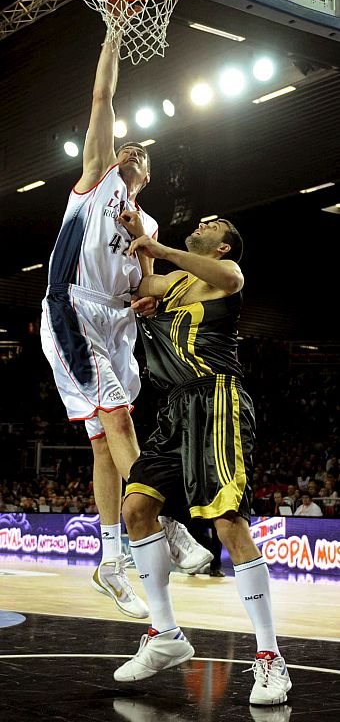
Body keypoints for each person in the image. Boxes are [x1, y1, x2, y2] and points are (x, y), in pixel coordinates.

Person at [40, 33, 211, 620]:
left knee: (105, 448)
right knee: (114, 417)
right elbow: (101, 95)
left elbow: (143, 290)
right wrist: (114, 30)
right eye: (127, 149)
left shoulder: (150, 219)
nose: (133, 152)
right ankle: (163, 523)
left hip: (116, 321)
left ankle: (111, 562)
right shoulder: (95, 179)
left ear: (149, 173)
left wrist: (145, 255)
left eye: (142, 153)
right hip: (73, 307)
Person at [114, 217, 292, 706]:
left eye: (212, 224)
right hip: (175, 407)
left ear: (223, 245)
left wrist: (163, 250)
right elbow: (142, 277)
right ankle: (166, 634)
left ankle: (271, 659)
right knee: (135, 508)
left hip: (217, 402)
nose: (201, 221)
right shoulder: (172, 283)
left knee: (226, 518)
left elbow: (232, 279)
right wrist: (135, 221)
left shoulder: (224, 273)